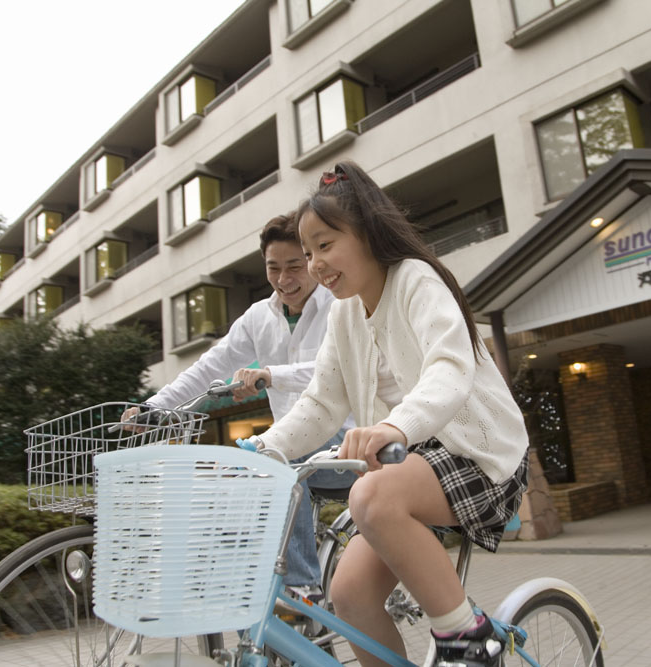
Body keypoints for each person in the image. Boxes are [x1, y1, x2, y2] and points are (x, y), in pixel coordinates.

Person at [239, 162, 530, 667]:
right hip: (408, 465)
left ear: (369, 234)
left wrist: (395, 425)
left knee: (368, 493)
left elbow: (449, 367)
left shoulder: (416, 280)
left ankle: (468, 636)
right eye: (307, 253)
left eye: (325, 246)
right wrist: (265, 446)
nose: (314, 265)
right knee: (349, 595)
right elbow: (322, 401)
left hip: (477, 453)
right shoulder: (345, 312)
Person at [128, 211, 355, 601]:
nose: (284, 280)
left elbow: (336, 369)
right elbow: (208, 367)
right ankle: (249, 587)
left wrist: (272, 373)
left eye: (295, 267)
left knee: (271, 457)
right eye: (273, 268)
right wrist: (154, 407)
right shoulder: (257, 318)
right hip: (290, 448)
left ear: (312, 261)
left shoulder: (340, 304)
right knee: (232, 472)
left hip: (346, 444)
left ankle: (302, 593)